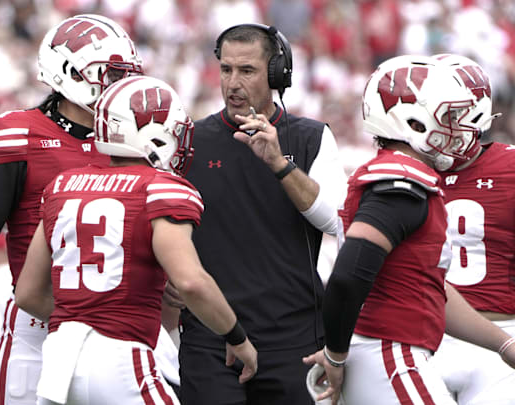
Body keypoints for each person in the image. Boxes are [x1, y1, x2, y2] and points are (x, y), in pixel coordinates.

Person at [14, 75, 258, 405]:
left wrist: (84, 319)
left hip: (60, 362)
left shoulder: (63, 185)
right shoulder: (160, 188)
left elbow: (28, 293)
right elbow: (190, 281)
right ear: (154, 136)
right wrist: (236, 337)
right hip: (122, 358)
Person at [0, 14, 143, 404]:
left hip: (116, 325)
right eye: (109, 73)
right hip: (37, 325)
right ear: (68, 72)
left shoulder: (135, 138)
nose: (120, 85)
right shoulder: (23, 134)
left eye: (124, 75)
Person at [302, 55, 515, 405]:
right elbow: (347, 276)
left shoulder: (395, 173)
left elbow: (429, 285)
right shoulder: (401, 182)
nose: (461, 130)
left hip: (399, 346)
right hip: (389, 348)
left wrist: (502, 343)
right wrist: (335, 352)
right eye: (447, 118)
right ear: (411, 121)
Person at [179, 23, 347, 404]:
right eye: (226, 70)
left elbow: (335, 220)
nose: (233, 82)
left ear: (276, 74)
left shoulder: (311, 137)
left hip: (294, 338)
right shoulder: (189, 141)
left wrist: (279, 164)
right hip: (213, 337)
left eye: (247, 70)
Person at [429, 54, 515, 405]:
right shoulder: (397, 168)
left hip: (500, 339)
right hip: (420, 339)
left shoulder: (510, 167)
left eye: (447, 113)